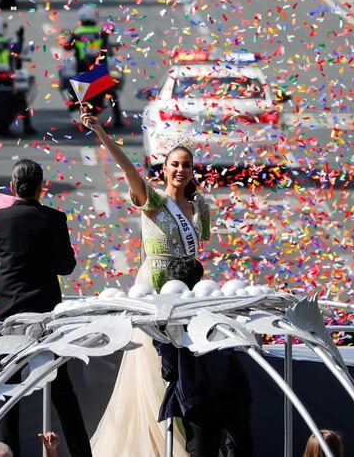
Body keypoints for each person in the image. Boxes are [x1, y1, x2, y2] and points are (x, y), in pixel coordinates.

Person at [82, 110, 211, 456]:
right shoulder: (153, 200)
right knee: (158, 371)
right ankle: (162, 444)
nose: (180, 170)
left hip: (187, 294)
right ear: (164, 168)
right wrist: (102, 133)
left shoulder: (200, 207)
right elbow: (127, 169)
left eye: (186, 164)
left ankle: (185, 440)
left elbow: (199, 253)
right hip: (154, 290)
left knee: (188, 370)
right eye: (174, 164)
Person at [0, 159, 91, 457]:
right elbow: (66, 266)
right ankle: (82, 453)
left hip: (6, 314)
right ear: (41, 188)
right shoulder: (55, 219)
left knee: (6, 392)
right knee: (61, 390)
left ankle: (7, 453)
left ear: (13, 187)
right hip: (44, 315)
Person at [155, 257, 252, 457]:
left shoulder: (167, 316)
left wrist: (172, 374)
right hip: (231, 389)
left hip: (197, 394)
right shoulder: (217, 303)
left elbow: (170, 366)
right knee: (239, 447)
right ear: (200, 279)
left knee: (202, 450)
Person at [64, 4, 122, 127]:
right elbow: (107, 49)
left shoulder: (76, 33)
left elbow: (67, 46)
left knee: (70, 89)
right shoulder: (101, 33)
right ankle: (118, 120)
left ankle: (73, 110)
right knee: (112, 92)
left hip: (82, 71)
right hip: (99, 71)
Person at [0, 15, 36, 137]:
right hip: (9, 74)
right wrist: (20, 37)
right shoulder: (8, 41)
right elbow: (18, 50)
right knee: (21, 99)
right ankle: (28, 126)